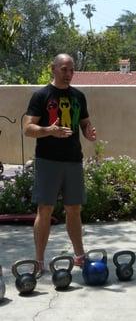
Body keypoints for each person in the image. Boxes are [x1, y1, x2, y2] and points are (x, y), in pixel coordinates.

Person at [24, 53, 97, 276]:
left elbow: (84, 123)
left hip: (73, 160)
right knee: (44, 210)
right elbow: (28, 129)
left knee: (74, 209)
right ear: (53, 69)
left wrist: (89, 132)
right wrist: (49, 131)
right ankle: (39, 261)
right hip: (48, 161)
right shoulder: (41, 95)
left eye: (71, 69)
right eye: (64, 69)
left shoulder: (79, 96)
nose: (69, 74)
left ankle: (80, 256)